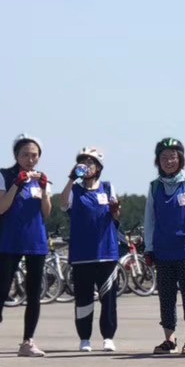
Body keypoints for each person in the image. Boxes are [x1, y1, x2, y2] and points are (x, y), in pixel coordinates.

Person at [0, 134, 54, 358]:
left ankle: (27, 342)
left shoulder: (42, 178)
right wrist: (17, 183)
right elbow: (2, 207)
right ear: (16, 156)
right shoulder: (5, 175)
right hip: (11, 241)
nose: (30, 160)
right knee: (1, 292)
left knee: (33, 294)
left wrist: (43, 190)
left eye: (34, 155)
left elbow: (46, 213)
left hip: (36, 242)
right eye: (25, 155)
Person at [143, 137, 185, 354]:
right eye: (164, 158)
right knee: (166, 296)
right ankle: (169, 339)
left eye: (173, 157)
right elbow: (149, 220)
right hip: (163, 250)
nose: (169, 161)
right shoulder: (154, 187)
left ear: (180, 159)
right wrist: (148, 248)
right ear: (157, 161)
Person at [60, 146, 121, 353]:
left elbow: (115, 216)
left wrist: (116, 211)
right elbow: (62, 203)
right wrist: (71, 178)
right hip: (82, 255)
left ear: (98, 167)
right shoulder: (75, 190)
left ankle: (108, 337)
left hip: (106, 253)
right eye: (83, 162)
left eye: (91, 163)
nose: (86, 166)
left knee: (108, 298)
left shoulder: (107, 187)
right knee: (83, 299)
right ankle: (85, 337)